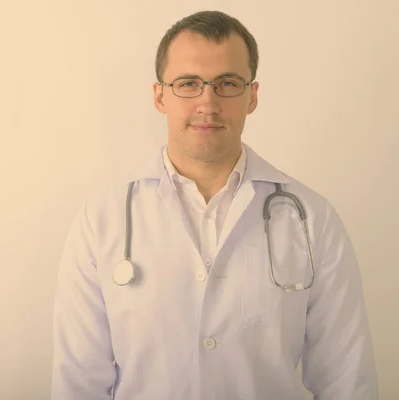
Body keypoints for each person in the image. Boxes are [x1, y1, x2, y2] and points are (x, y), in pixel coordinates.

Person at [51, 10, 378, 400]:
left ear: (252, 96)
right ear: (160, 96)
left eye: (227, 83)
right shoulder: (101, 221)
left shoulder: (312, 219)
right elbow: (78, 382)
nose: (208, 102)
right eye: (188, 83)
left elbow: (346, 379)